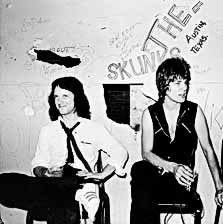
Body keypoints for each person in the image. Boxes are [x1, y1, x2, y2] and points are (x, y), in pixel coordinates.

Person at [0, 76, 128, 224]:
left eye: (65, 95)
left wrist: (100, 175)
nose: (59, 101)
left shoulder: (94, 128)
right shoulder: (48, 130)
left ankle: (81, 192)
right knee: (4, 181)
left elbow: (120, 152)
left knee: (62, 204)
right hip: (52, 183)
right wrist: (45, 172)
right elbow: (38, 163)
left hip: (80, 180)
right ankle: (81, 195)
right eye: (56, 96)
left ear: (77, 98)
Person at [130, 57, 223, 224]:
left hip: (183, 182)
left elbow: (208, 150)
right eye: (178, 83)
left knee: (143, 188)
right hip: (156, 178)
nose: (184, 88)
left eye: (186, 82)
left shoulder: (195, 111)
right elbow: (146, 153)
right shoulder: (150, 113)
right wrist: (171, 167)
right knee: (139, 169)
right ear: (164, 85)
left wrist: (219, 187)